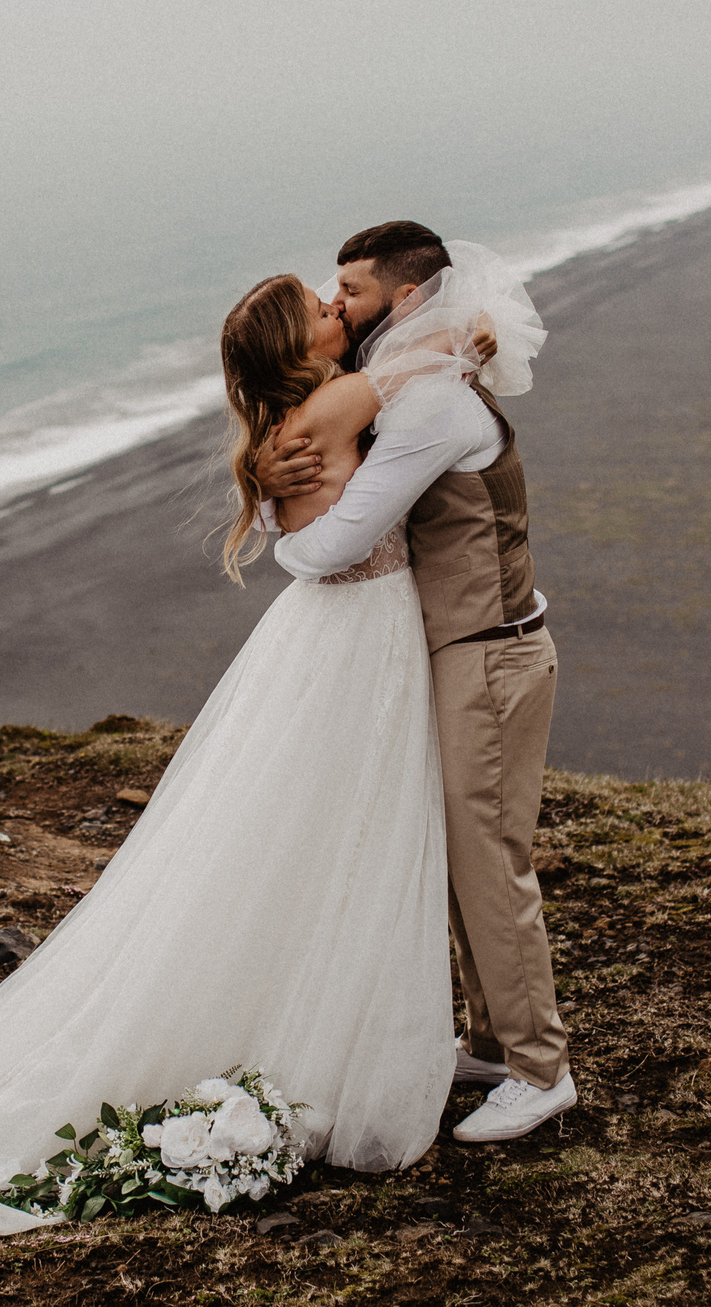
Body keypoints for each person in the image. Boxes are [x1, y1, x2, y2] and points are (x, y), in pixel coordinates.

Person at [0, 260, 541, 1237]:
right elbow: (442, 348)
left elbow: (308, 497)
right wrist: (448, 323)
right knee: (360, 828)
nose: (338, 311)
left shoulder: (282, 428)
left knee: (309, 831)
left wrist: (265, 481)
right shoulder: (338, 401)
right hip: (361, 635)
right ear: (299, 352)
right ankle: (364, 1039)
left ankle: (372, 1023)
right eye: (320, 309)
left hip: (325, 636)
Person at [254, 222, 574, 1144]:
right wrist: (267, 467)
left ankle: (541, 1071)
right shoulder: (416, 372)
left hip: (490, 652)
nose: (333, 300)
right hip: (467, 649)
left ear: (397, 298)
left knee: (489, 862)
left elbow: (340, 542)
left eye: (347, 288)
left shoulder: (431, 404)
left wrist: (281, 529)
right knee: (461, 856)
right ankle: (494, 1041)